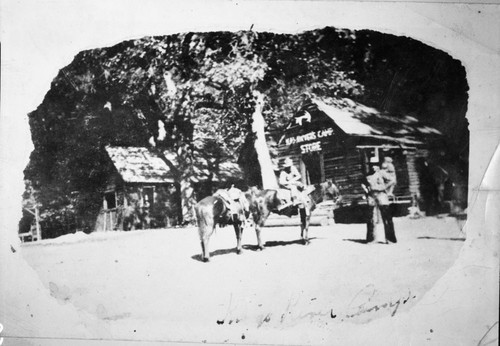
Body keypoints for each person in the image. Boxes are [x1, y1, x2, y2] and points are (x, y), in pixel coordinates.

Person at [363, 160, 397, 244]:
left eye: (375, 165)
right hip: (371, 196)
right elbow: (363, 183)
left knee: (387, 216)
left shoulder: (382, 173)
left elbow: (392, 180)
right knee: (370, 217)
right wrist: (366, 190)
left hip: (381, 195)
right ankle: (371, 239)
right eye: (371, 165)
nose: (373, 167)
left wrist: (385, 187)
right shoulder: (368, 175)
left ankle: (390, 239)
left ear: (378, 165)